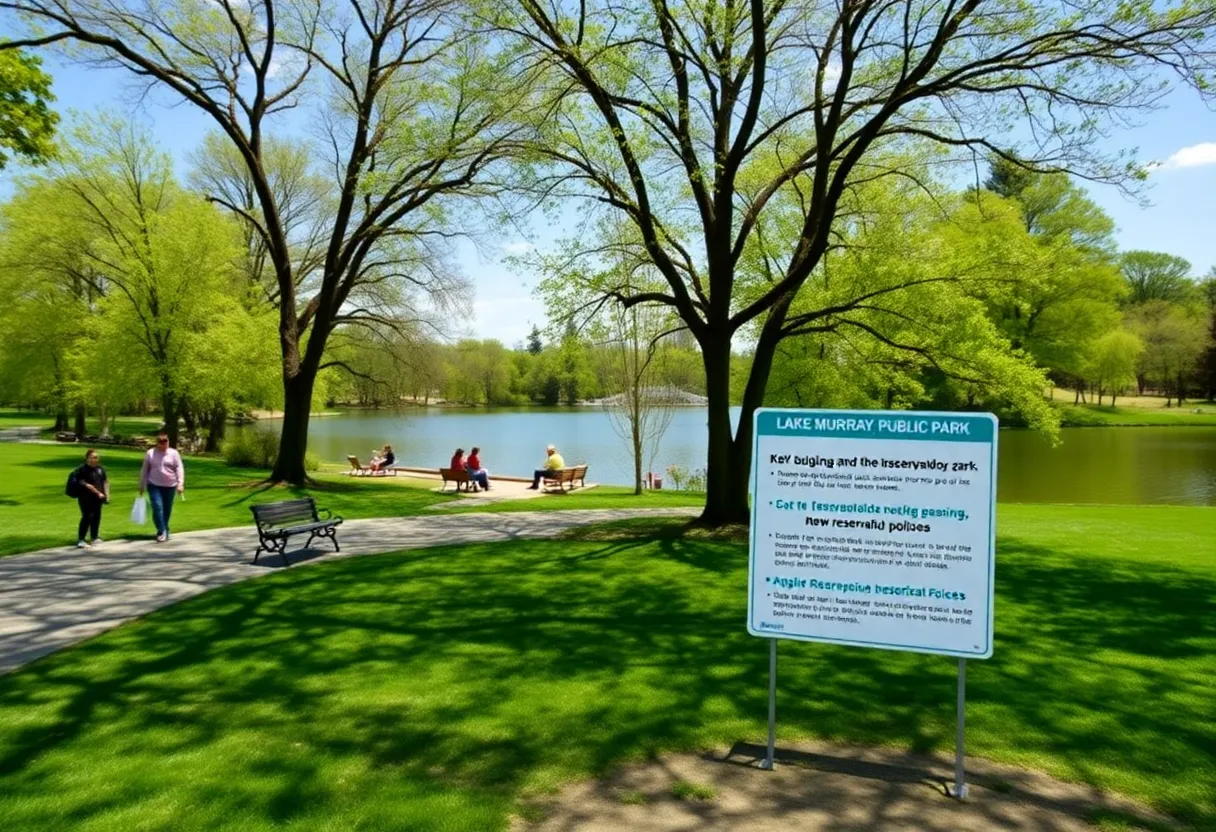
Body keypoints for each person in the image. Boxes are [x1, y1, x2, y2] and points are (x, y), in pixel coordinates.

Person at [139, 431, 185, 543]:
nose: (164, 445)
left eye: (166, 442)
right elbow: (144, 469)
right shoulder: (150, 453)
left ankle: (162, 530)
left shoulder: (174, 453)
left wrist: (180, 483)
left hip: (170, 485)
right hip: (154, 484)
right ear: (157, 443)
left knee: (166, 510)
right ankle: (163, 530)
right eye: (162, 443)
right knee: (157, 507)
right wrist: (142, 484)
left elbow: (179, 468)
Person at [73, 449, 109, 548]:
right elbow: (86, 485)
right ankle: (81, 539)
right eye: (93, 457)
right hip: (86, 497)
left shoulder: (100, 469)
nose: (95, 459)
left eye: (97, 457)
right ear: (87, 458)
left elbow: (105, 481)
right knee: (87, 517)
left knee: (97, 516)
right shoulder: (82, 470)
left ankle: (94, 537)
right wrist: (98, 493)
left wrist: (107, 494)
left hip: (98, 498)